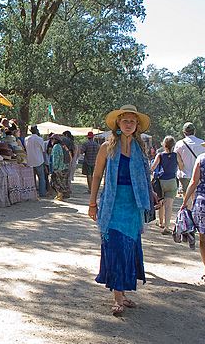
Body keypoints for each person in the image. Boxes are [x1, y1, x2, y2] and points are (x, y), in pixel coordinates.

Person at [88, 104, 156, 316]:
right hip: (113, 204)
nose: (128, 124)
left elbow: (145, 176)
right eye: (125, 120)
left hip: (133, 206)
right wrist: (92, 203)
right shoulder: (106, 147)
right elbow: (97, 176)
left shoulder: (140, 149)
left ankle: (123, 293)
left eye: (132, 121)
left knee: (128, 248)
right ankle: (117, 297)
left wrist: (152, 194)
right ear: (118, 123)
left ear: (136, 126)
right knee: (116, 247)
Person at [181, 130, 205, 284]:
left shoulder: (202, 158)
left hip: (204, 204)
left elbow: (194, 182)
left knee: (204, 240)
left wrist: (185, 201)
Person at [150, 136, 184, 234]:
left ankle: (160, 222)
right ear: (173, 145)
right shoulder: (176, 155)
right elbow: (181, 166)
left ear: (163, 145)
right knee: (169, 206)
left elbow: (152, 167)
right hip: (172, 181)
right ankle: (167, 226)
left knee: (161, 202)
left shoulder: (160, 155)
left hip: (161, 182)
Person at [173, 122, 205, 208]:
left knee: (186, 198)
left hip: (184, 174)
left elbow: (177, 159)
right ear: (194, 131)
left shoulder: (179, 144)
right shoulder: (202, 143)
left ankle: (187, 217)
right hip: (199, 175)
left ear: (184, 132)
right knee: (196, 198)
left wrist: (181, 167)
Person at [25, 125, 46, 197]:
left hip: (30, 161)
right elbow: (43, 151)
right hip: (39, 160)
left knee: (32, 178)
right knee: (41, 178)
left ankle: (32, 193)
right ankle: (42, 193)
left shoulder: (26, 139)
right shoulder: (40, 139)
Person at [50, 134, 69, 201]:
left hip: (59, 168)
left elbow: (56, 158)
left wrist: (55, 168)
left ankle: (60, 195)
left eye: (52, 139)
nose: (51, 141)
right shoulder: (63, 146)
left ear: (55, 140)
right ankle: (62, 195)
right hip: (65, 167)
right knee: (63, 182)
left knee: (56, 182)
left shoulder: (56, 147)